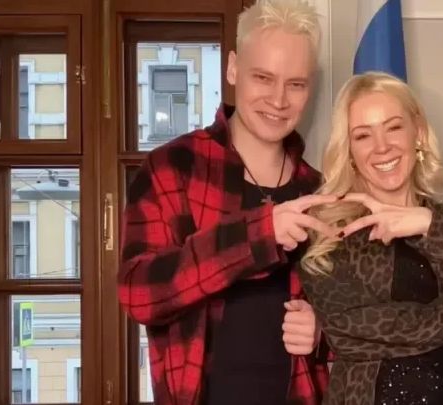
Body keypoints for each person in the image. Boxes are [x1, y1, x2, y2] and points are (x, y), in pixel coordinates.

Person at [118, 1, 337, 404]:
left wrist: (323, 334)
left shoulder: (320, 191)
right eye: (263, 78)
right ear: (233, 69)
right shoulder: (172, 167)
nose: (278, 99)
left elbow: (359, 320)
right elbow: (139, 294)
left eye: (296, 84)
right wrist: (258, 235)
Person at [300, 72, 443, 405]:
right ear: (349, 151)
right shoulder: (334, 235)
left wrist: (429, 225)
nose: (382, 146)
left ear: (417, 132)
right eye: (363, 135)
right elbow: (355, 330)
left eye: (393, 127)